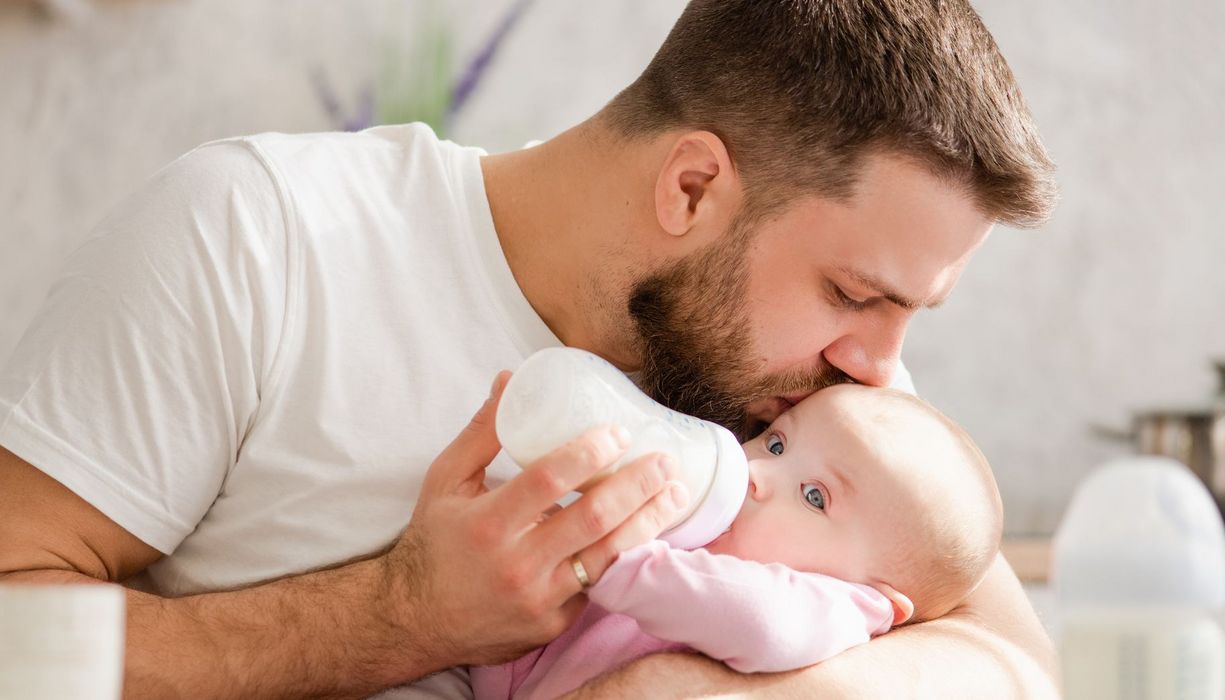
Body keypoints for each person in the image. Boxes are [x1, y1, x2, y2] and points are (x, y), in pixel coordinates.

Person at [0, 1, 1058, 697]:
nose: (879, 366)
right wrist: (397, 615)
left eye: (907, 313)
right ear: (692, 187)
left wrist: (671, 690)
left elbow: (1010, 664)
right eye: (855, 294)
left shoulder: (808, 398)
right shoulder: (256, 237)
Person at [471, 384, 1004, 699]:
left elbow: (761, 621)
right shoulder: (693, 536)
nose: (757, 472)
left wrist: (615, 560)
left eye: (814, 496)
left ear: (880, 601)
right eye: (776, 442)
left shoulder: (836, 608)